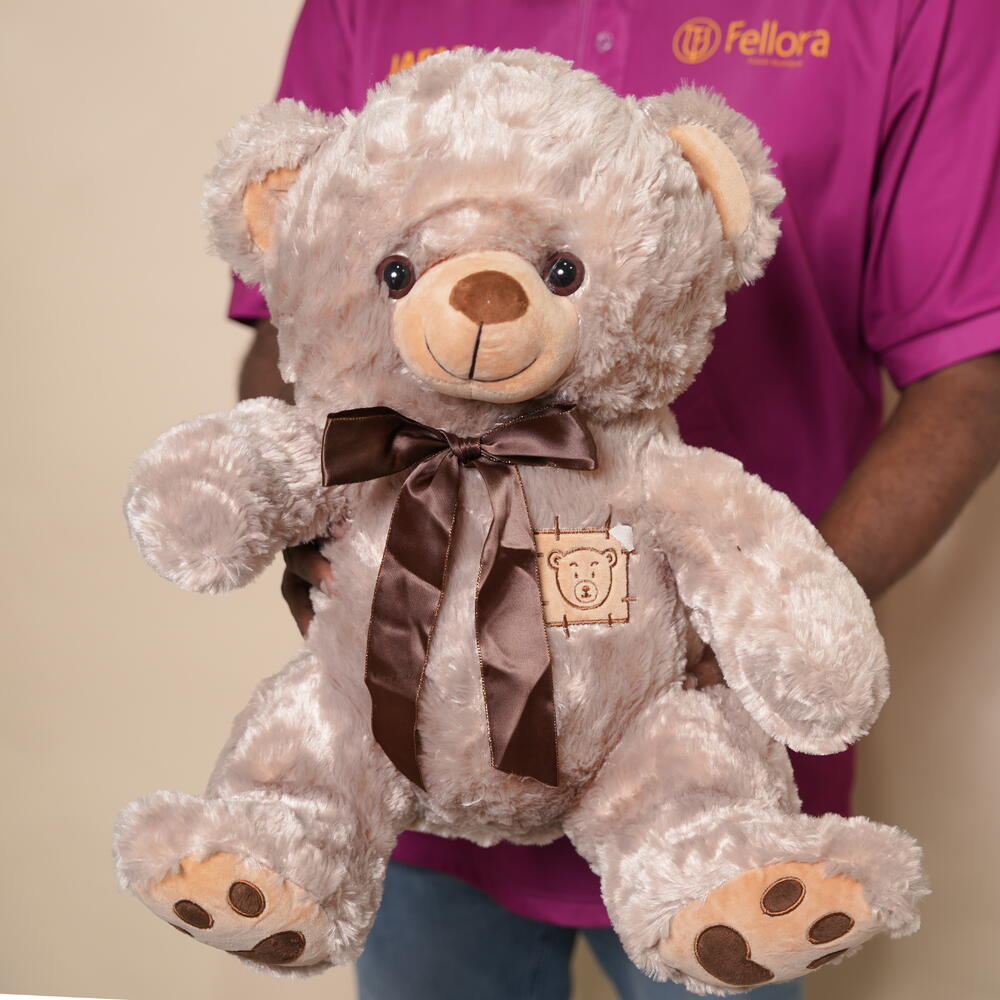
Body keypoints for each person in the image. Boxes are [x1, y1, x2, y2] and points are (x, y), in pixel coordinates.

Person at [230, 2, 1000, 997]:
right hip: (410, 740)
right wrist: (310, 506)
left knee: (728, 919)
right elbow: (291, 323)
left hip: (705, 778)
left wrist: (752, 627)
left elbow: (967, 375)